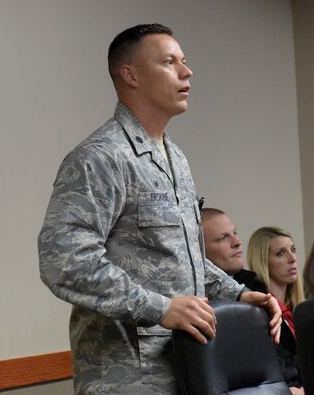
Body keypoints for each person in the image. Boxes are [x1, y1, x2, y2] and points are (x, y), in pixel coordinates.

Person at [37, 23, 280, 395]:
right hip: (127, 378)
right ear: (130, 74)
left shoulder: (175, 157)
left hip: (187, 367)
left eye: (184, 61)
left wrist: (237, 294)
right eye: (170, 62)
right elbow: (64, 259)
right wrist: (160, 307)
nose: (187, 72)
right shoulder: (101, 157)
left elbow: (182, 260)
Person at [247, 226, 306, 395]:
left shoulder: (297, 310)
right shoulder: (260, 314)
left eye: (293, 250)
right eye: (280, 253)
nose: (292, 258)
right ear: (263, 262)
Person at [201, 207, 264, 291]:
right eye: (223, 238)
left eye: (235, 233)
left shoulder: (256, 285)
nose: (237, 242)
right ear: (199, 251)